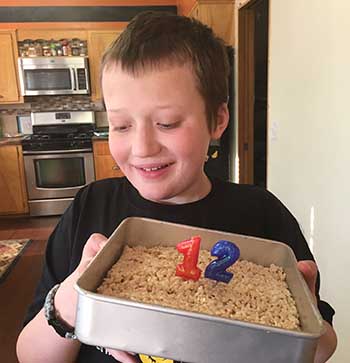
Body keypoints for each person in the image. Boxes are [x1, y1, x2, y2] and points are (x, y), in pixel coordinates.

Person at [16, 11, 337, 363]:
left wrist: (307, 330)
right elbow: (31, 355)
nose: (142, 147)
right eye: (121, 125)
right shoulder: (90, 207)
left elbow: (321, 349)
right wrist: (69, 303)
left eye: (166, 123)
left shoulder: (261, 212)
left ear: (217, 120)